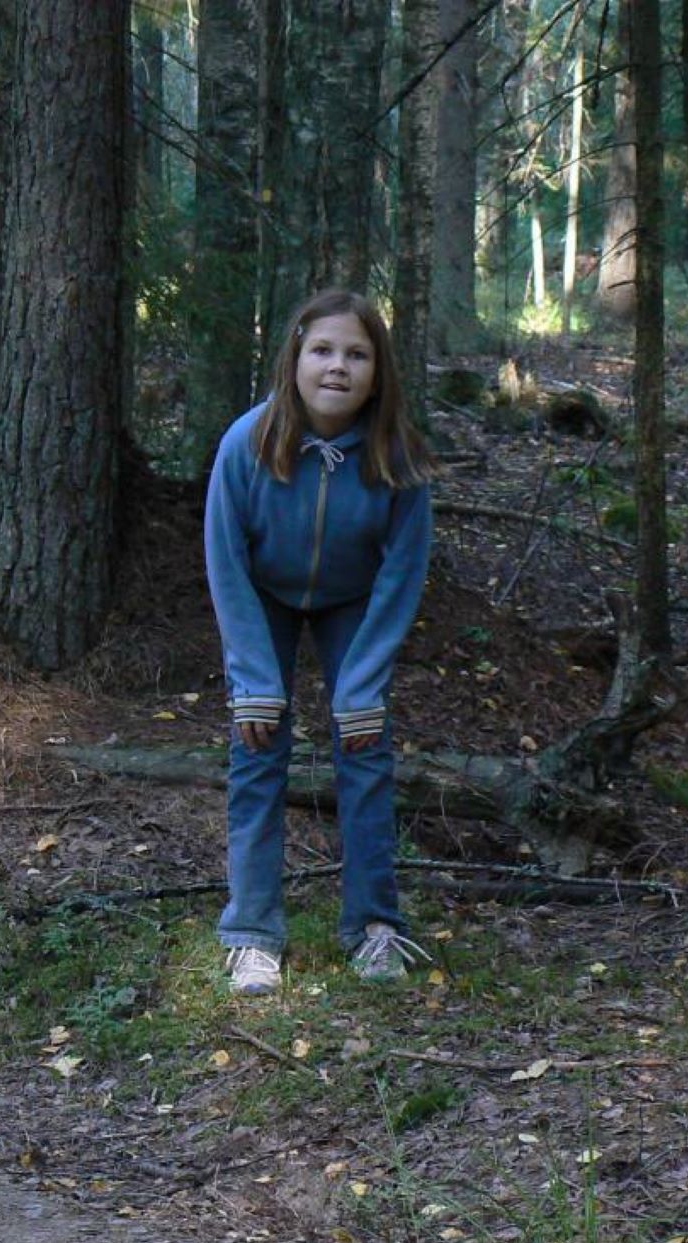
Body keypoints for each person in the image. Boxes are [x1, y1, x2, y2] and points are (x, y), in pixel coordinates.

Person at [203, 289, 437, 993]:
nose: (338, 366)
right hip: (265, 597)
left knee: (365, 749)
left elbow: (403, 572)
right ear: (295, 359)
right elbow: (226, 561)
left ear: (377, 370)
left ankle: (372, 926)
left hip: (353, 603)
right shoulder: (246, 443)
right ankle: (252, 933)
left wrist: (362, 682)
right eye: (323, 350)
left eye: (357, 354)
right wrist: (254, 680)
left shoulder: (398, 456)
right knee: (257, 745)